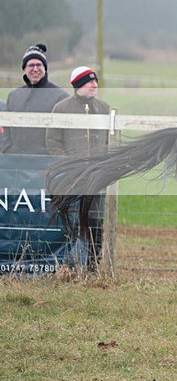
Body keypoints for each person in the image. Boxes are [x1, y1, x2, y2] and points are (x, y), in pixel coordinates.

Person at [46, 66, 111, 271]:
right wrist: (69, 165)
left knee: (95, 219)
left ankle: (93, 262)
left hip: (97, 177)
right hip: (72, 177)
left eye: (95, 81)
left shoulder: (104, 108)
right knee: (73, 218)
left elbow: (111, 141)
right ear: (77, 85)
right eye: (89, 81)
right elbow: (53, 140)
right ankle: (70, 261)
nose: (94, 85)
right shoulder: (61, 108)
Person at [0, 44, 69, 155]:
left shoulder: (60, 97)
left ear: (45, 68)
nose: (35, 69)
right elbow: (5, 131)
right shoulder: (13, 96)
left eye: (39, 65)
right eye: (31, 65)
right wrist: (7, 149)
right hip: (15, 163)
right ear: (24, 69)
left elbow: (64, 135)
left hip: (44, 165)